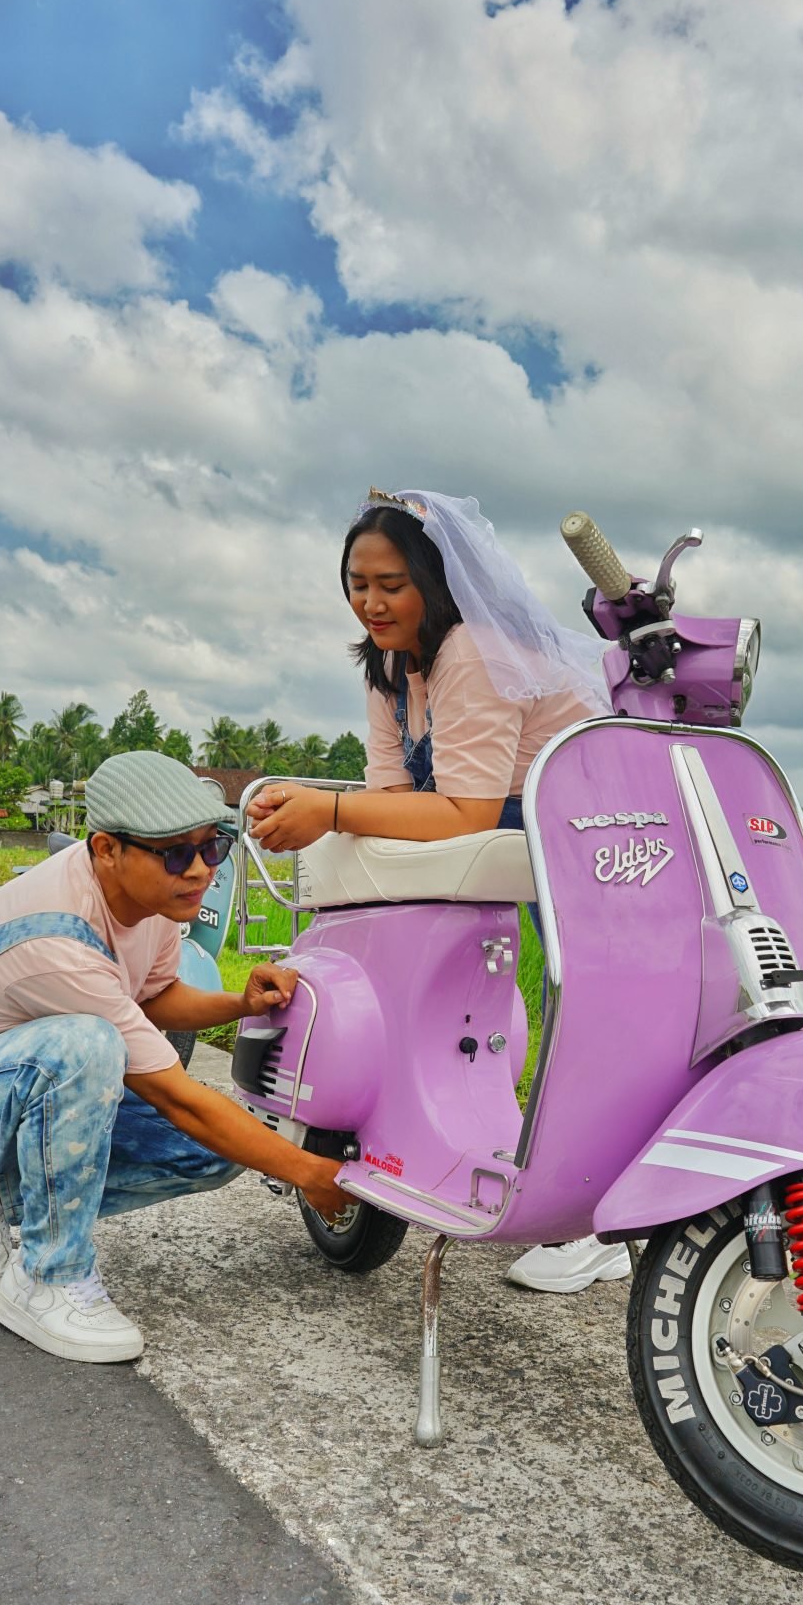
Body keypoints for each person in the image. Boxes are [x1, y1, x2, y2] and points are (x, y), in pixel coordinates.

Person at [247, 488, 630, 1294]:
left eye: (392, 585)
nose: (372, 603)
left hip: (579, 823)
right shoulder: (389, 665)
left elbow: (464, 811)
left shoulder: (472, 655)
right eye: (358, 584)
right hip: (500, 828)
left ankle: (599, 1221)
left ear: (434, 581)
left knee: (592, 1004)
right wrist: (319, 813)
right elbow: (392, 795)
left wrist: (328, 810)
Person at [0, 750, 346, 1364]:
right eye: (176, 853)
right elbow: (179, 1098)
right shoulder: (56, 937)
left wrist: (239, 1003)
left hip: (8, 1089)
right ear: (108, 848)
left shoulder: (151, 900)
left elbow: (155, 996)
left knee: (215, 1152)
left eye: (212, 847)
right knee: (89, 1047)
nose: (200, 871)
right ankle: (48, 1279)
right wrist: (310, 1174)